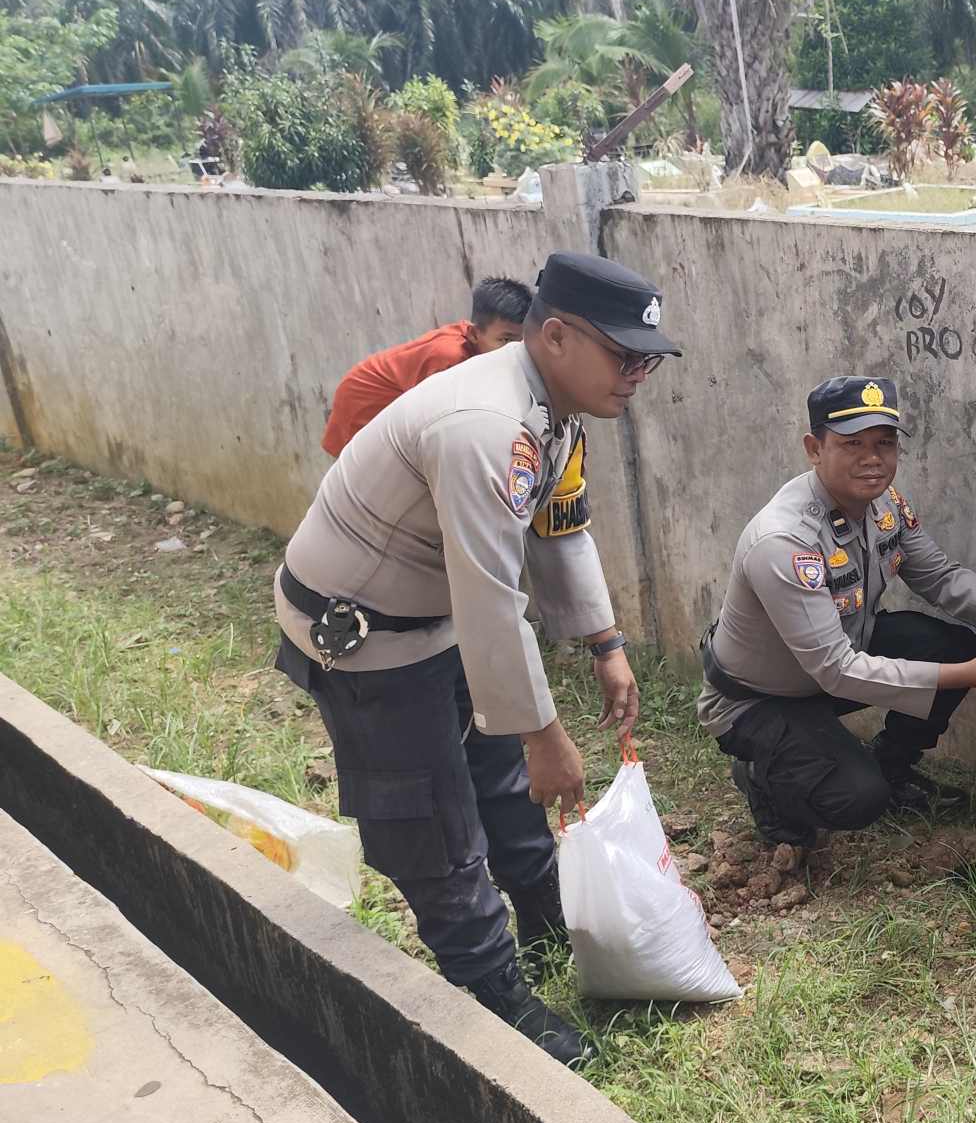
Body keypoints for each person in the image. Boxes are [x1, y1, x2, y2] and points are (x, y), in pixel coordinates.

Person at [272, 251, 675, 1068]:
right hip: (369, 637)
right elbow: (492, 595)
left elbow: (560, 528)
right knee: (435, 822)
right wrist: (545, 735)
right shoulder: (486, 424)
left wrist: (605, 645)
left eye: (648, 361)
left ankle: (545, 919)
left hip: (439, 615)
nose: (637, 376)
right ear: (555, 337)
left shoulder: (556, 409)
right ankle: (496, 995)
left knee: (501, 784)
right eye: (623, 356)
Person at [699, 376, 976, 850]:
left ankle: (892, 767)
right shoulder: (784, 541)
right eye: (852, 444)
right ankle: (764, 780)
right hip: (760, 698)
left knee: (952, 645)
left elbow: (937, 575)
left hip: (833, 669)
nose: (873, 458)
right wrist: (969, 674)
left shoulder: (885, 504)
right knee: (859, 797)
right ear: (814, 448)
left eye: (884, 443)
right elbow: (836, 669)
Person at [321, 278, 533, 455]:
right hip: (364, 402)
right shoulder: (450, 359)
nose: (514, 349)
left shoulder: (482, 349)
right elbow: (438, 425)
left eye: (521, 340)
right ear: (474, 334)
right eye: (505, 340)